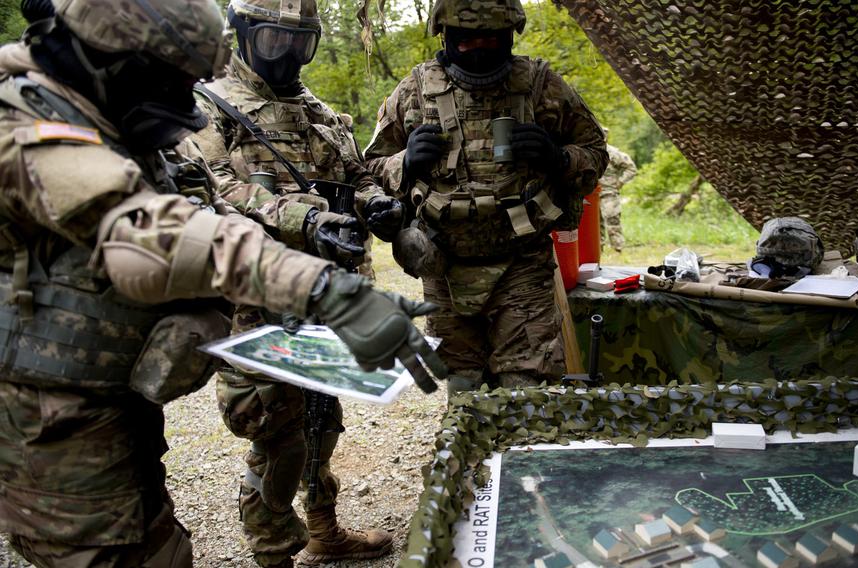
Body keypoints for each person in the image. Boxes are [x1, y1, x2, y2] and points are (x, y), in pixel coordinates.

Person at [0, 1, 444, 567]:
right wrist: (325, 286)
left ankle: (317, 527)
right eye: (172, 82)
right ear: (111, 58)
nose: (188, 105)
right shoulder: (27, 123)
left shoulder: (90, 107)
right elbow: (152, 229)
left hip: (102, 402)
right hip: (52, 419)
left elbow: (197, 200)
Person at [188, 1, 404, 566]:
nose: (288, 56)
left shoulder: (318, 112)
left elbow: (353, 175)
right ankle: (274, 553)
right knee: (275, 432)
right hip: (258, 296)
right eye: (275, 41)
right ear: (243, 34)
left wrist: (375, 203)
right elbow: (220, 193)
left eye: (300, 42)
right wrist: (305, 218)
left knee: (319, 419)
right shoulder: (209, 107)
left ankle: (323, 529)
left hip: (325, 294)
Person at [364, 0, 608, 395]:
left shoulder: (542, 85)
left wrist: (558, 156)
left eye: (491, 39)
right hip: (444, 267)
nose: (479, 49)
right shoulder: (414, 90)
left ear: (510, 35)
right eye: (466, 41)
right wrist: (404, 163)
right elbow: (367, 171)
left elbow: (596, 153)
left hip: (522, 265)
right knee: (463, 390)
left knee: (524, 391)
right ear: (445, 36)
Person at [599, 138, 637, 253]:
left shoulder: (612, 152)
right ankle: (597, 251)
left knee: (612, 220)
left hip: (609, 192)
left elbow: (631, 168)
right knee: (594, 226)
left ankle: (617, 249)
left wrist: (620, 182)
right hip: (590, 194)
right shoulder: (589, 151)